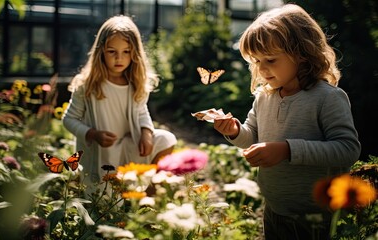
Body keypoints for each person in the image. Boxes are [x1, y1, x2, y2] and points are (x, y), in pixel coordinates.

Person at [213, 4, 361, 240]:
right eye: (256, 61)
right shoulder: (265, 96)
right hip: (274, 210)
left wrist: (288, 150)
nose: (261, 69)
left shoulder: (327, 97)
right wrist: (234, 131)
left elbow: (347, 149)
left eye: (270, 59)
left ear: (302, 54)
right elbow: (253, 135)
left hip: (316, 216)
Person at [62, 15, 177, 191]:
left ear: (135, 53)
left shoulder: (135, 83)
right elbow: (68, 120)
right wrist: (93, 134)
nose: (119, 58)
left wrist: (146, 132)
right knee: (105, 206)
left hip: (128, 145)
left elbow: (141, 111)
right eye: (112, 52)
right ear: (101, 51)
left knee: (166, 139)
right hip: (101, 155)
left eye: (126, 52)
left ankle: (150, 194)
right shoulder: (87, 85)